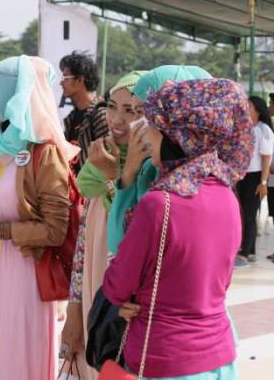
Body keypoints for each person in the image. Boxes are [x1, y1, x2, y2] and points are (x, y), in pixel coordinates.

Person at [103, 78, 249, 378]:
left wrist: (128, 298)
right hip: (220, 355)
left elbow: (118, 284)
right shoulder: (226, 194)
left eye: (154, 127)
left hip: (166, 358)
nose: (148, 136)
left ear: (176, 136)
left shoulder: (159, 204)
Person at [0, 55, 80, 380]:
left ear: (13, 99)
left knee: (13, 361)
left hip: (25, 278)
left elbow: (54, 230)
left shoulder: (45, 153)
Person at [60, 71, 146, 379]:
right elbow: (83, 245)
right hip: (94, 291)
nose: (117, 119)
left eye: (132, 110)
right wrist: (73, 308)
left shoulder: (150, 172)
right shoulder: (100, 161)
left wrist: (114, 179)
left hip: (127, 302)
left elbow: (136, 236)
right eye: (112, 107)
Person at [107, 65, 212, 257]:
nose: (137, 124)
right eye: (135, 113)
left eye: (142, 112)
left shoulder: (204, 178)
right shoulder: (148, 168)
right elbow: (116, 243)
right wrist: (129, 172)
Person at [236, 95, 273, 265]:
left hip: (255, 177)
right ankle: (249, 249)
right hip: (244, 176)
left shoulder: (264, 129)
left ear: (257, 110)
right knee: (244, 213)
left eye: (249, 106)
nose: (246, 109)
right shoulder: (249, 128)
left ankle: (245, 252)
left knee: (250, 214)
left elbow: (266, 158)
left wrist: (263, 182)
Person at [60, 52, 107, 173]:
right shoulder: (71, 117)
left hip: (91, 189)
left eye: (65, 78)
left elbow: (107, 158)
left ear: (80, 80)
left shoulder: (100, 113)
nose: (61, 83)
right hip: (73, 188)